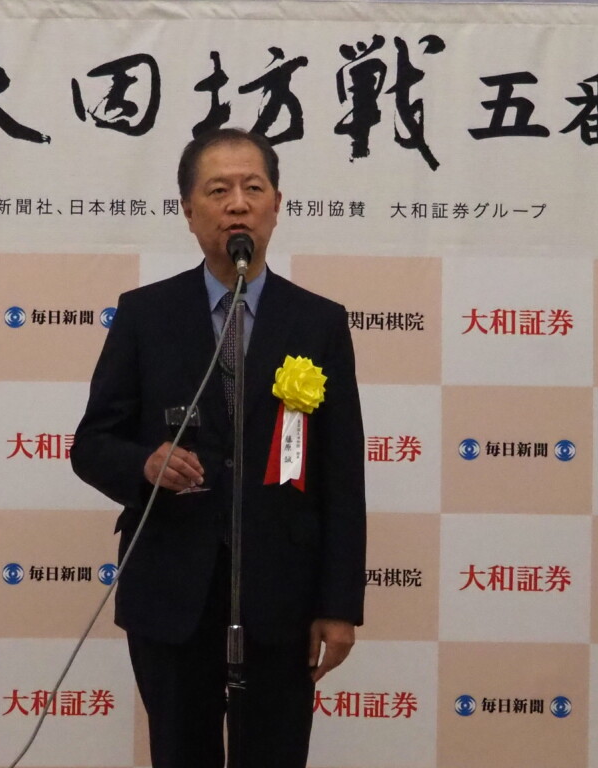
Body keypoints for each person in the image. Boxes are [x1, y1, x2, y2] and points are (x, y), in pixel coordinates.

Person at [71, 128, 366, 768]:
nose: (237, 204)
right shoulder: (145, 314)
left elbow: (342, 474)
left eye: (252, 188)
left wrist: (339, 605)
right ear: (188, 210)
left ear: (276, 204)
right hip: (172, 592)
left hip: (283, 598)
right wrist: (145, 463)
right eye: (218, 190)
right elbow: (92, 444)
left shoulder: (318, 322)